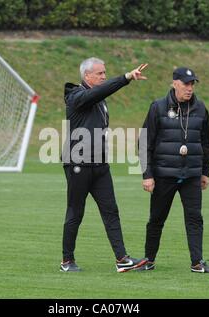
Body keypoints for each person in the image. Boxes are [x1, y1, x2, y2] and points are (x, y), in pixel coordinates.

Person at [60, 57, 148, 273]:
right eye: (100, 73)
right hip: (78, 165)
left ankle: (122, 259)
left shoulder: (98, 99)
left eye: (104, 73)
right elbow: (98, 93)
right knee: (75, 213)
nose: (104, 76)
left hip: (99, 165)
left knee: (111, 211)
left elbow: (100, 96)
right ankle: (67, 261)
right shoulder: (76, 96)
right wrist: (126, 78)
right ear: (87, 76)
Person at [138, 67, 209, 274]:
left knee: (194, 218)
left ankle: (197, 263)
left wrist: (205, 171)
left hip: (191, 174)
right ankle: (149, 260)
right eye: (185, 84)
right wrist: (147, 175)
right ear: (174, 83)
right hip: (164, 174)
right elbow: (145, 142)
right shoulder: (157, 107)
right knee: (156, 219)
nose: (189, 88)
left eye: (192, 84)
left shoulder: (200, 108)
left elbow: (206, 142)